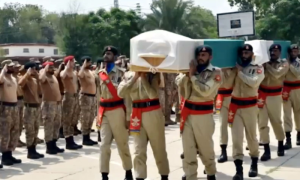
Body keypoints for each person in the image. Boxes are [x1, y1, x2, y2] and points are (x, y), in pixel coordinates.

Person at [176, 46, 221, 180]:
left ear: (210, 57)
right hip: (187, 113)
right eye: (199, 55)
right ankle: (190, 176)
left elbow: (205, 90)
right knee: (188, 149)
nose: (201, 57)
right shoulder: (188, 71)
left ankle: (211, 173)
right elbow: (178, 82)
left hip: (203, 115)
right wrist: (187, 74)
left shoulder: (216, 72)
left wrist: (193, 76)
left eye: (204, 55)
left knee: (205, 149)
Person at [118, 70, 170, 179]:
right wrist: (135, 78)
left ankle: (164, 175)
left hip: (152, 112)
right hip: (136, 113)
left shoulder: (153, 74)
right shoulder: (128, 75)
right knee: (138, 150)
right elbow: (121, 93)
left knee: (158, 148)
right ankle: (139, 176)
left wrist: (143, 78)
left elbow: (152, 94)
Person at [96, 46, 133, 180]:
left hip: (118, 111)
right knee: (104, 145)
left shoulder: (122, 73)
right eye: (105, 53)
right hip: (104, 111)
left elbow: (127, 97)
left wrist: (128, 116)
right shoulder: (100, 73)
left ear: (115, 57)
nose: (106, 55)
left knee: (122, 143)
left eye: (109, 53)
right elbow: (98, 96)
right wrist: (97, 116)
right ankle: (104, 174)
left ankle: (128, 171)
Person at [229, 44, 264, 179]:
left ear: (251, 54)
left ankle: (254, 163)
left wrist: (240, 72)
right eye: (242, 53)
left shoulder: (258, 68)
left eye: (247, 53)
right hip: (235, 106)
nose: (244, 55)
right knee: (236, 139)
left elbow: (254, 83)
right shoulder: (234, 68)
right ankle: (238, 170)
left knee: (251, 137)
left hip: (250, 107)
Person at [258, 44, 288, 161]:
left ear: (280, 52)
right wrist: (262, 65)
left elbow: (277, 74)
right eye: (271, 51)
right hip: (262, 94)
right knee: (262, 123)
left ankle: (281, 143)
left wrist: (267, 66)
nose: (273, 53)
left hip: (275, 95)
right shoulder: (262, 64)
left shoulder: (284, 63)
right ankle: (266, 149)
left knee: (276, 121)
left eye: (275, 51)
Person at [19, 62, 45, 159]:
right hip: (29, 107)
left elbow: (41, 84)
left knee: (35, 129)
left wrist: (37, 76)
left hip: (36, 107)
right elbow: (20, 83)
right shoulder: (24, 78)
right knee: (30, 130)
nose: (35, 70)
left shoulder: (34, 79)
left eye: (35, 69)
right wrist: (27, 73)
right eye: (33, 69)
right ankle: (30, 151)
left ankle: (34, 149)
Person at [39, 61, 64, 154]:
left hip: (57, 104)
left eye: (52, 67)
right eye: (50, 67)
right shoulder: (43, 76)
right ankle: (49, 146)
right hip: (48, 104)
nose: (52, 68)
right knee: (49, 125)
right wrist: (45, 70)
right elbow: (41, 79)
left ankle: (54, 143)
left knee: (56, 124)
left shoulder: (53, 76)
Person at [0, 60, 22, 166]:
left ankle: (9, 153)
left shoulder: (13, 78)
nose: (12, 68)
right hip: (6, 107)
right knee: (5, 132)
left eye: (13, 66)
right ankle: (4, 156)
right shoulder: (2, 78)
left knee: (14, 130)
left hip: (14, 106)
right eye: (9, 66)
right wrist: (3, 70)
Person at [60, 55, 83, 150]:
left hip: (75, 96)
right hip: (68, 97)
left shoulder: (74, 73)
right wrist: (67, 66)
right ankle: (68, 141)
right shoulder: (64, 72)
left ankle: (71, 139)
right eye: (72, 61)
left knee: (72, 119)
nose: (74, 63)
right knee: (67, 120)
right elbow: (62, 76)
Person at [216, 67, 237, 163]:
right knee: (222, 125)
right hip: (221, 98)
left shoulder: (236, 69)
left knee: (236, 126)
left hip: (233, 98)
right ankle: (223, 150)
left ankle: (237, 150)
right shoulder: (217, 69)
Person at [78, 56, 98, 145]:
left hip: (93, 97)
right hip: (85, 97)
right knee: (85, 118)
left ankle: (88, 136)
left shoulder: (90, 72)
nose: (90, 64)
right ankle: (84, 138)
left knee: (91, 117)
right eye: (88, 62)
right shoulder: (82, 72)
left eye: (90, 62)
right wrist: (83, 64)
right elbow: (80, 75)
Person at [283, 44, 300, 149]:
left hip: (297, 89)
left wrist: (290, 65)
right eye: (292, 52)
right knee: (287, 114)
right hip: (286, 89)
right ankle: (288, 138)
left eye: (296, 51)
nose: (294, 53)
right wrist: (286, 64)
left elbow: (298, 73)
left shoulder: (298, 62)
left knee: (298, 112)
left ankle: (299, 133)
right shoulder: (285, 62)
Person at [12, 62, 27, 148]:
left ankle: (18, 138)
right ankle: (14, 140)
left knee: (20, 122)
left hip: (21, 100)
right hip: (15, 100)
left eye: (18, 68)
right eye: (16, 68)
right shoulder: (10, 78)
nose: (17, 69)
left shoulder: (19, 77)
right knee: (15, 122)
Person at [73, 63, 82, 136]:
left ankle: (75, 126)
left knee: (76, 113)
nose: (77, 67)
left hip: (77, 93)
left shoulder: (76, 73)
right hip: (70, 94)